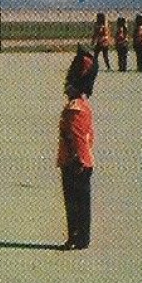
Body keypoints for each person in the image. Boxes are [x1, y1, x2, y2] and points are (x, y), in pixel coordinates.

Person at [58, 46, 98, 250]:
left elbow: (78, 138)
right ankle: (78, 237)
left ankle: (79, 238)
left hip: (76, 162)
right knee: (77, 203)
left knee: (77, 204)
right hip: (77, 160)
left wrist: (77, 160)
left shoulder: (76, 107)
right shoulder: (79, 104)